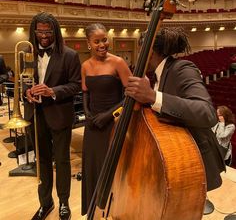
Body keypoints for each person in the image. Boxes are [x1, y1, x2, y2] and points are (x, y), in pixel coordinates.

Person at [125, 27, 225, 196]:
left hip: (194, 161)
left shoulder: (182, 68)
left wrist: (152, 96)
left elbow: (206, 113)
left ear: (149, 51)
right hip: (176, 160)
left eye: (141, 49)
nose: (139, 54)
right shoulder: (158, 75)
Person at [24, 12, 81, 220]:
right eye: (40, 31)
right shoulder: (27, 52)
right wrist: (26, 92)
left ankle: (64, 203)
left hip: (59, 115)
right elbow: (23, 82)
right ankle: (45, 203)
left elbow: (76, 86)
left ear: (55, 31)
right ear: (34, 31)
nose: (44, 36)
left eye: (48, 32)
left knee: (62, 161)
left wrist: (52, 91)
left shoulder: (69, 55)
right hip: (35, 116)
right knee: (42, 162)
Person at [81, 23, 132, 215]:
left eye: (104, 39)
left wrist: (108, 115)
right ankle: (96, 208)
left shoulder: (118, 62)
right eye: (97, 41)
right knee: (92, 166)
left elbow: (130, 96)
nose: (102, 44)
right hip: (92, 124)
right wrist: (87, 112)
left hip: (113, 123)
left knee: (112, 169)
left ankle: (115, 211)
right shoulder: (85, 65)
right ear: (88, 44)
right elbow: (85, 92)